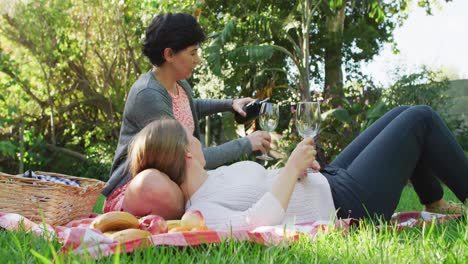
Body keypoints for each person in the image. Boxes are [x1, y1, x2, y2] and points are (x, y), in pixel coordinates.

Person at [127, 105, 467, 230]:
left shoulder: (214, 176)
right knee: (419, 119)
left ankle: (433, 200)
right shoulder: (197, 213)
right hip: (348, 202)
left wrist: (298, 169)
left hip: (329, 181)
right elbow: (255, 224)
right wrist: (290, 169)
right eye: (189, 134)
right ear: (185, 152)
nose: (196, 137)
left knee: (401, 114)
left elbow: (270, 189)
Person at [102, 12, 271, 219]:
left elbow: (190, 108)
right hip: (138, 189)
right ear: (169, 54)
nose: (197, 60)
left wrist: (230, 104)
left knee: (240, 181)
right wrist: (246, 144)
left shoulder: (180, 84)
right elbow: (185, 159)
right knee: (220, 188)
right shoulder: (148, 95)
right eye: (192, 53)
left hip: (180, 180)